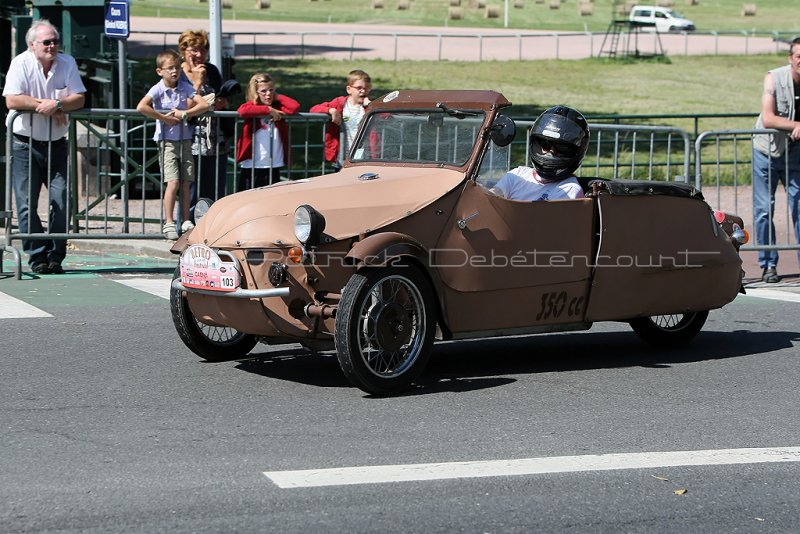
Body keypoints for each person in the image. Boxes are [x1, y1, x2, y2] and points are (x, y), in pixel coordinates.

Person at [2, 19, 86, 275]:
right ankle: (36, 255)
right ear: (32, 45)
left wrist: (58, 106)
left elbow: (79, 98)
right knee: (26, 203)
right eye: (46, 42)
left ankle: (56, 256)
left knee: (61, 201)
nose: (52, 46)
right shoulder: (20, 62)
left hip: (57, 143)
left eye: (55, 41)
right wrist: (49, 104)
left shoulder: (67, 62)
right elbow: (12, 99)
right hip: (24, 143)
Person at [136, 49, 209, 240]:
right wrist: (163, 118)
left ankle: (185, 219)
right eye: (170, 68)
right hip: (167, 141)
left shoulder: (185, 87)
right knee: (173, 181)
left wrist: (186, 113)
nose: (174, 71)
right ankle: (168, 221)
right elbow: (142, 106)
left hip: (184, 139)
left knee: (186, 182)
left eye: (177, 67)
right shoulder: (158, 89)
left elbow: (203, 104)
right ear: (160, 71)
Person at [751, 37, 800, 284]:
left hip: (796, 152)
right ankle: (768, 264)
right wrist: (797, 125)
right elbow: (769, 118)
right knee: (763, 209)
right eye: (799, 56)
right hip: (766, 151)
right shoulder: (774, 78)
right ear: (791, 58)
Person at [178, 29, 237, 214]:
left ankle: (211, 228)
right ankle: (186, 226)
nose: (199, 55)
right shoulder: (177, 74)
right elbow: (181, 108)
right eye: (194, 50)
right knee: (191, 188)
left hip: (214, 141)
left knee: (215, 190)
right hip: (189, 140)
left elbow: (219, 96)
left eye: (203, 50)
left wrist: (222, 101)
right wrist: (196, 83)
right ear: (184, 50)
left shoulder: (211, 70)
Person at [491, 105, 588, 202]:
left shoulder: (569, 189)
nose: (551, 151)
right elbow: (490, 198)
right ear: (535, 143)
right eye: (545, 144)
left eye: (561, 147)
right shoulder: (517, 175)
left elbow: (542, 216)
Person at [236, 73, 300, 189]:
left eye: (271, 90)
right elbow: (243, 111)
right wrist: (268, 110)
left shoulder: (278, 107)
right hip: (253, 165)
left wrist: (278, 96)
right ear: (256, 93)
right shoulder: (252, 107)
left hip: (273, 164)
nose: (268, 94)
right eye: (264, 91)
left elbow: (294, 107)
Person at [309, 69, 372, 170]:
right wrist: (331, 110)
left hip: (364, 159)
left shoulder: (369, 107)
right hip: (342, 158)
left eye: (366, 88)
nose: (363, 91)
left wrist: (371, 105)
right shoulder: (339, 103)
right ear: (349, 89)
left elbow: (385, 116)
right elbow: (313, 110)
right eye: (359, 88)